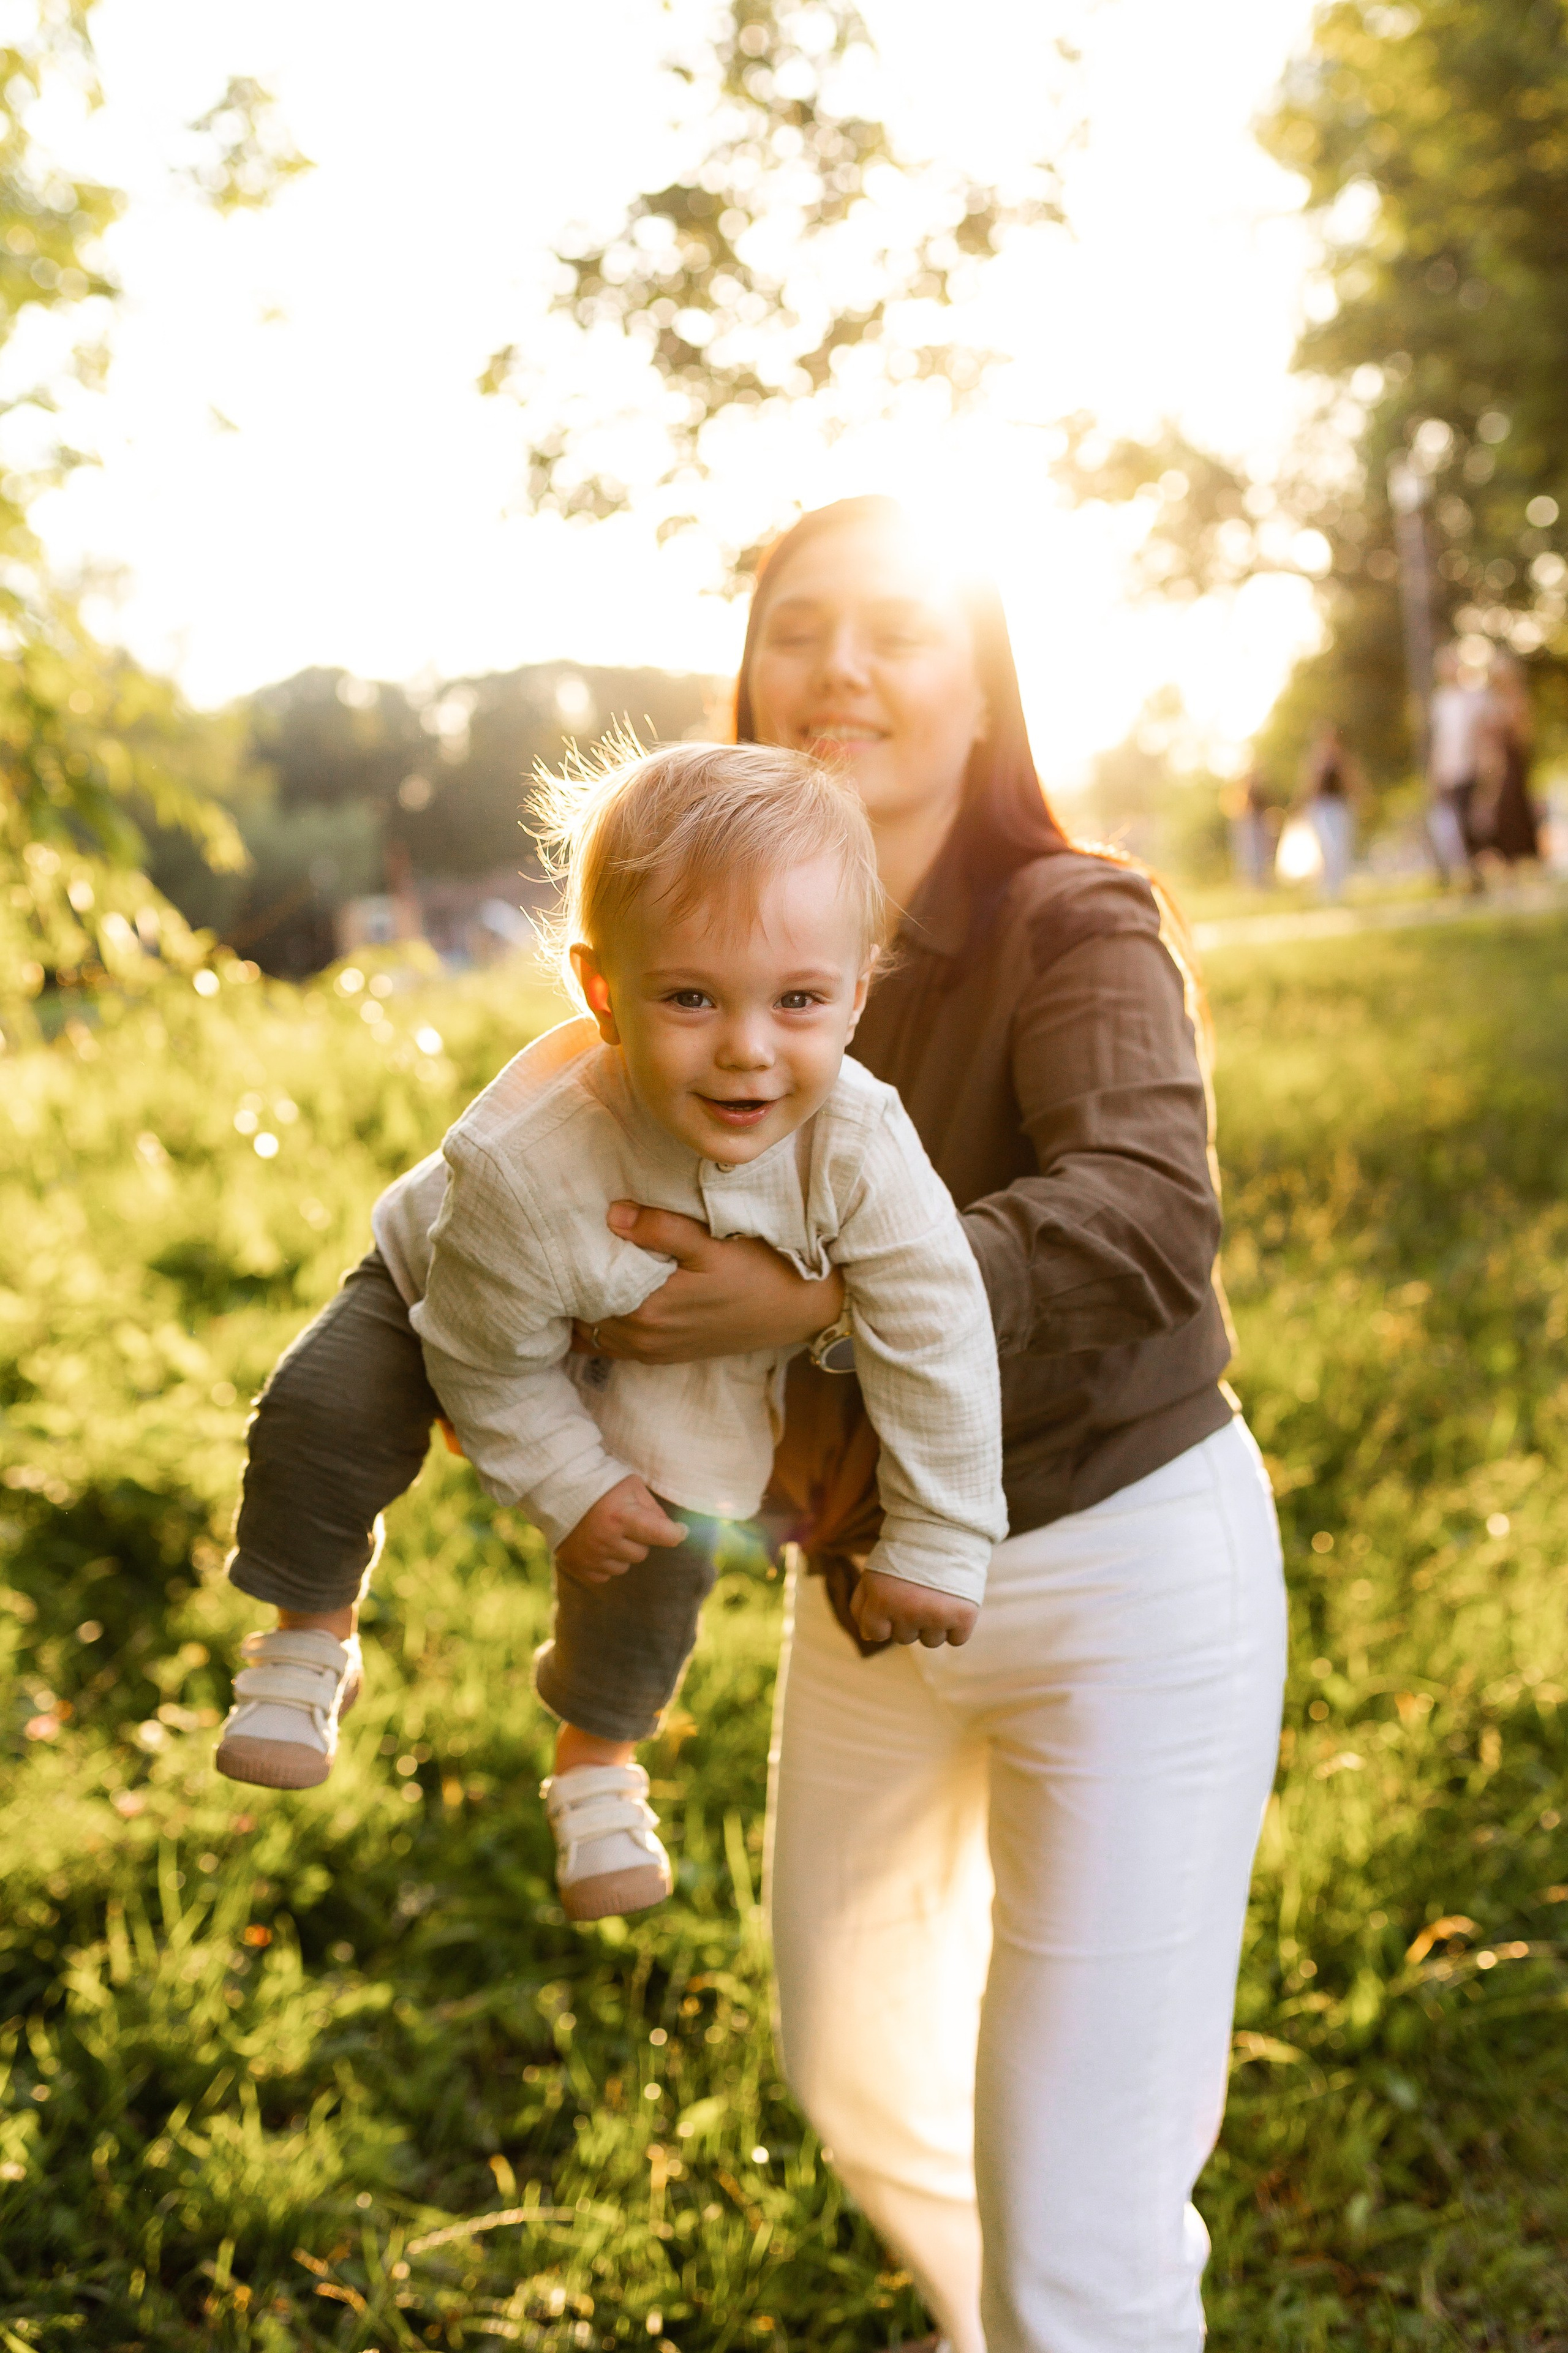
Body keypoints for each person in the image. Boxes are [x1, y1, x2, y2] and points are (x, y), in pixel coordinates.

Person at [581, 497, 1287, 2352]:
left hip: (1122, 1576)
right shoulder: (684, 972)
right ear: (744, 682)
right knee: (858, 2067)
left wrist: (826, 1294)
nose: (841, 667)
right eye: (797, 627)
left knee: (1083, 2219)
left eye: (898, 627)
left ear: (982, 691)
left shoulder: (1074, 915)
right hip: (877, 1607)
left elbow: (1144, 1214)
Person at [214, 741, 1005, 1924]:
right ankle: (309, 1626)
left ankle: (598, 1758)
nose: (747, 1048)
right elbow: (480, 1354)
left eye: (798, 1000)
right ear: (602, 992)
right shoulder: (523, 1163)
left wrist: (940, 1534)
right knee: (322, 1407)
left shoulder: (860, 1139)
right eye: (689, 997)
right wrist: (566, 1478)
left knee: (665, 1537)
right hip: (456, 1284)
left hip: (678, 1347)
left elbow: (935, 1321)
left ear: (857, 988)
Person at [1427, 643, 1490, 885]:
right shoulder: (1440, 701)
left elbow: (1481, 734)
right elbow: (1439, 741)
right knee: (1447, 824)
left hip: (1469, 768)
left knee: (1468, 822)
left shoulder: (1474, 697)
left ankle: (1476, 875)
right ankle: (1455, 875)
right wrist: (1434, 773)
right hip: (1447, 771)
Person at [1474, 651, 1542, 866]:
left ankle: (1522, 857)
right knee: (1499, 809)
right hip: (1495, 760)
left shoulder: (1518, 699)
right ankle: (1506, 858)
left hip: (1513, 759)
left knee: (1515, 806)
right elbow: (1481, 729)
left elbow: (1522, 733)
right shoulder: (1490, 701)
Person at [1300, 722, 1362, 900]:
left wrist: (1359, 798)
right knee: (1326, 847)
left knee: (1340, 846)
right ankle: (1327, 888)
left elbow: (1351, 781)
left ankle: (1339, 888)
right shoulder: (1315, 761)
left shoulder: (1342, 759)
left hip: (1340, 806)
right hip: (1321, 807)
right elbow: (1309, 785)